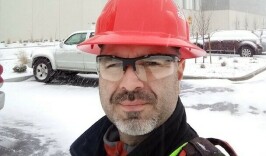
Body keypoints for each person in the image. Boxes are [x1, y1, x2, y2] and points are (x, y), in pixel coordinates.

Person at [70, 0, 237, 155]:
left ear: (179, 69)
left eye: (152, 63)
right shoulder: (91, 147)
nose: (129, 84)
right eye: (113, 64)